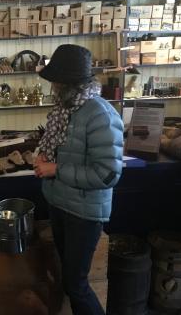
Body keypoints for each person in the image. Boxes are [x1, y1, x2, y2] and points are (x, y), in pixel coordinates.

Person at [33, 44, 123, 315]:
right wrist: (42, 158)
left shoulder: (100, 114)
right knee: (70, 280)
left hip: (83, 214)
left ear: (70, 83)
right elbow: (63, 149)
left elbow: (107, 173)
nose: (53, 88)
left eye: (57, 82)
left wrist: (55, 169)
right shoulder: (67, 109)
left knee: (76, 284)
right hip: (61, 204)